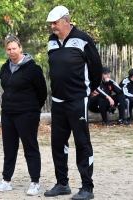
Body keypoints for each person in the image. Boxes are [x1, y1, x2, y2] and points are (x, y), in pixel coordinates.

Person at [44, 5, 103, 200]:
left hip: (77, 100)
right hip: (57, 101)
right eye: (51, 23)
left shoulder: (83, 39)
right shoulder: (52, 42)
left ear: (66, 21)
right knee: (58, 144)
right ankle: (62, 183)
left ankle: (87, 187)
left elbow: (96, 68)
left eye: (55, 22)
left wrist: (91, 88)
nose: (53, 26)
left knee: (82, 143)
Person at [0, 35, 47, 196]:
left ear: (20, 48)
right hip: (8, 113)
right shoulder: (5, 68)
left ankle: (35, 182)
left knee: (30, 147)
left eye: (14, 48)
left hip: (27, 113)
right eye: (8, 49)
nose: (11, 52)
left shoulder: (33, 68)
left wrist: (33, 109)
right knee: (9, 148)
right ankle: (6, 181)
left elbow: (42, 91)